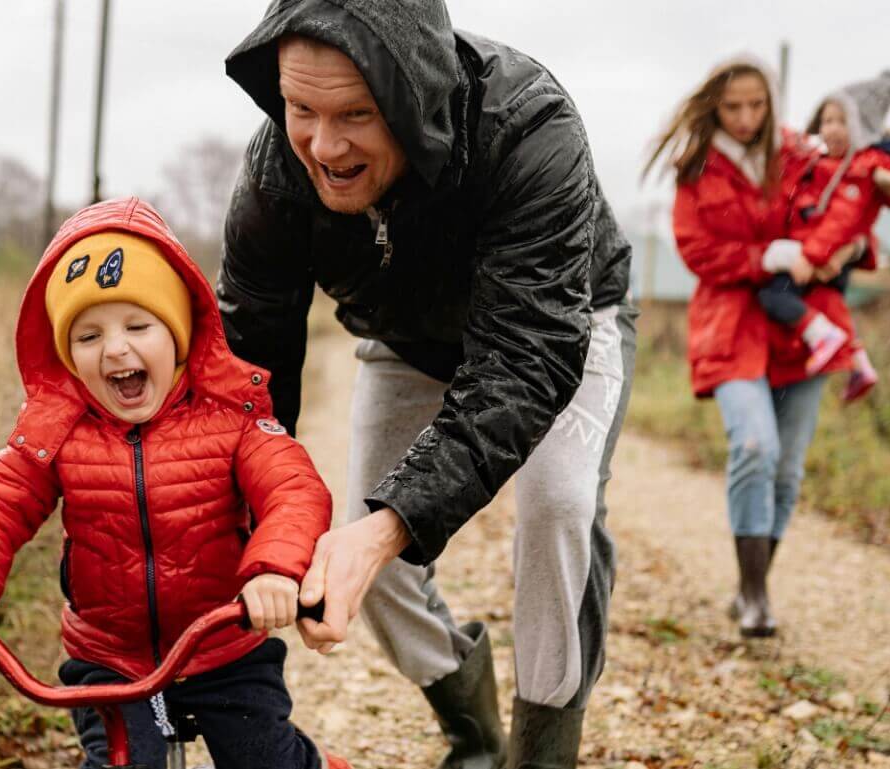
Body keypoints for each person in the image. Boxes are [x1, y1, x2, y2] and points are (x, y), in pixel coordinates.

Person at [218, 1, 636, 766]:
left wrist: (391, 525)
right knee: (363, 555)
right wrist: (247, 528)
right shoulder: (276, 171)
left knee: (558, 503)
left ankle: (542, 752)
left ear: (413, 96)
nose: (323, 143)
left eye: (356, 114)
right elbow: (251, 366)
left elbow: (524, 359)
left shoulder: (529, 126)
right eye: (299, 108)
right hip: (405, 338)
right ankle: (472, 731)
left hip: (559, 326)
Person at [0, 197, 349, 769]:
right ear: (68, 356)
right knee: (122, 762)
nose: (115, 348)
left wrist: (273, 569)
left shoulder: (230, 418)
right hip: (108, 658)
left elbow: (294, 489)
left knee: (263, 758)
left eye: (138, 325)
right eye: (88, 337)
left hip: (223, 644)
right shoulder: (57, 432)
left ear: (180, 333)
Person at [645, 55, 842, 638]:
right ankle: (754, 596)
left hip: (803, 324)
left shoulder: (799, 154)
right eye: (732, 106)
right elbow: (696, 250)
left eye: (756, 105)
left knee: (786, 469)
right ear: (713, 105)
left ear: (770, 102)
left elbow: (850, 200)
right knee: (755, 445)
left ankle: (751, 587)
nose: (745, 117)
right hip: (730, 325)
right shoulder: (696, 167)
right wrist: (764, 258)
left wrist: (843, 249)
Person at [765, 70, 890, 401]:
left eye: (842, 122)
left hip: (822, 255)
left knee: (773, 296)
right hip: (822, 252)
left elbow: (841, 222)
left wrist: (811, 258)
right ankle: (858, 363)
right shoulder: (820, 163)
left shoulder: (857, 170)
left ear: (861, 128)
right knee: (827, 302)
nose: (831, 129)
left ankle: (823, 338)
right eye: (827, 120)